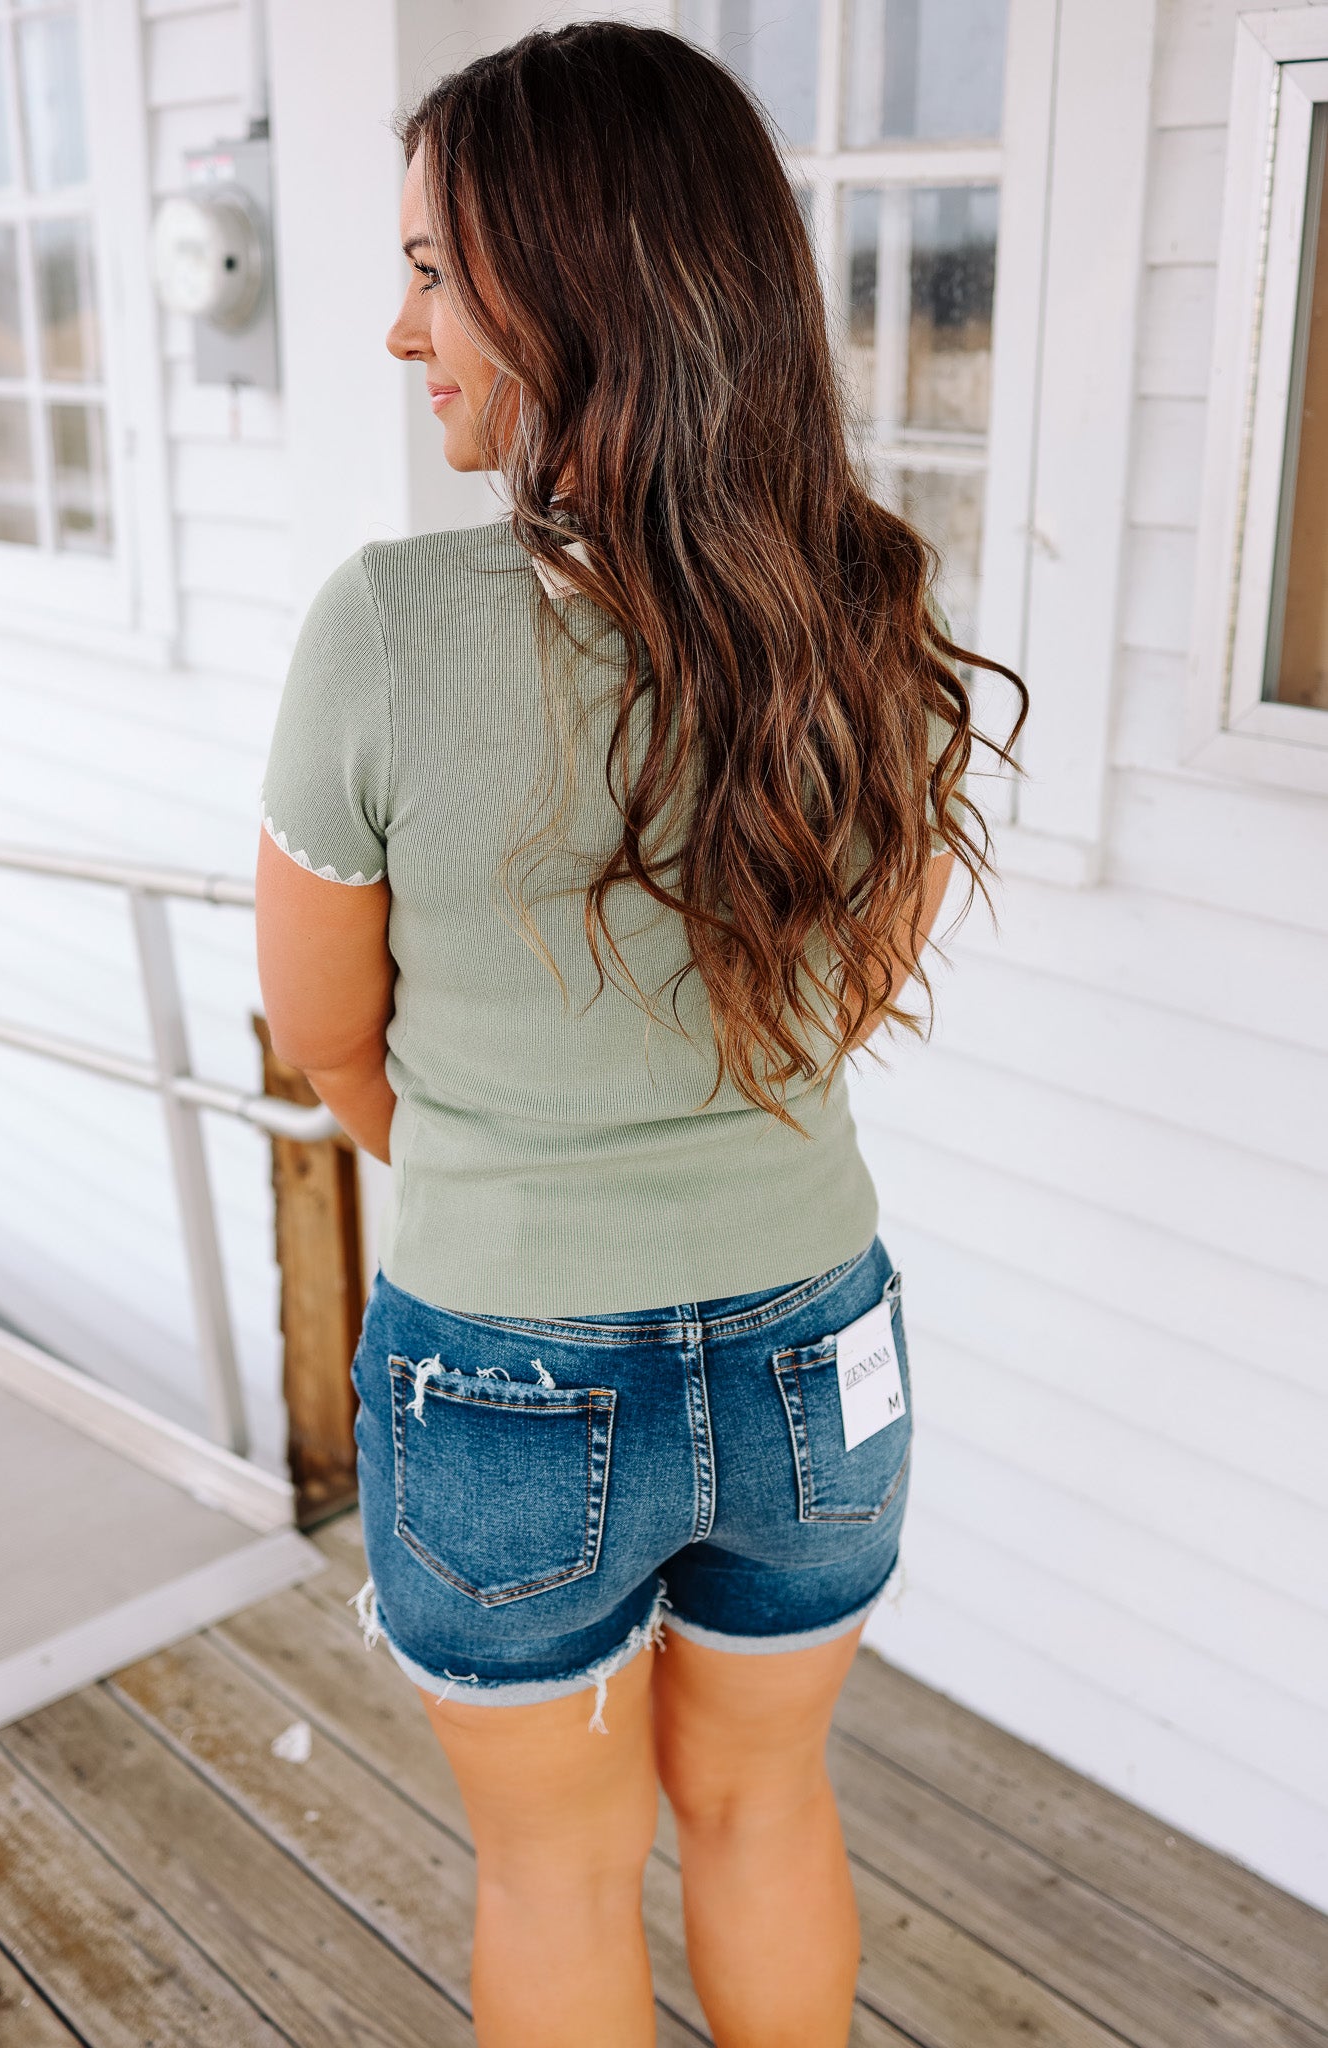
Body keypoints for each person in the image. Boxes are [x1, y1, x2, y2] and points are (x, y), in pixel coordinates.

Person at [255, 22, 1026, 2047]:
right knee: (765, 1806)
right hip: (812, 1349)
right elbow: (845, 993)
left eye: (433, 272)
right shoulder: (863, 602)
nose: (401, 330)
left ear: (568, 285)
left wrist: (513, 1185)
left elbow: (325, 1039)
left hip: (501, 1372)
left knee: (558, 1874)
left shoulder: (389, 625)